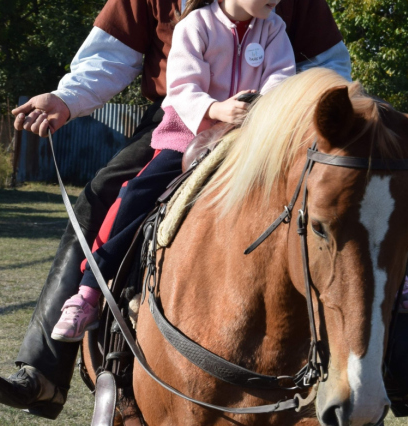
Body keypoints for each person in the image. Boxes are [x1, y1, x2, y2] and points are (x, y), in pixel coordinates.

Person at [0, 0, 408, 421]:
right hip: (184, 123)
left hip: (282, 128)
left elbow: (333, 69)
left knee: (358, 208)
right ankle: (46, 368)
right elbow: (109, 59)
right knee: (104, 196)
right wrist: (66, 98)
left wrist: (292, 118)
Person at [50, 0, 296, 342]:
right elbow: (182, 88)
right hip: (188, 133)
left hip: (252, 137)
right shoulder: (195, 25)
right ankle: (89, 293)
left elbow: (281, 82)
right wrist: (217, 108)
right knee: (135, 194)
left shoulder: (275, 30)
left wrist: (263, 111)